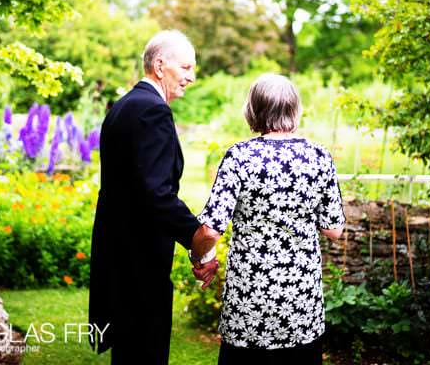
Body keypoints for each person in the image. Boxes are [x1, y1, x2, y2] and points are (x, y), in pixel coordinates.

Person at [191, 73, 345, 365]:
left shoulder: (239, 156)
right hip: (301, 307)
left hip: (249, 307)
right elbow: (334, 229)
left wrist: (198, 258)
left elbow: (210, 230)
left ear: (253, 111)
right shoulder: (319, 157)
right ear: (295, 110)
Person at [89, 30, 218, 364]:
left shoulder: (123, 106)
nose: (192, 77)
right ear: (160, 66)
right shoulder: (152, 111)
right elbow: (156, 194)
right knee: (145, 353)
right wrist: (198, 239)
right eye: (186, 67)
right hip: (140, 262)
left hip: (118, 256)